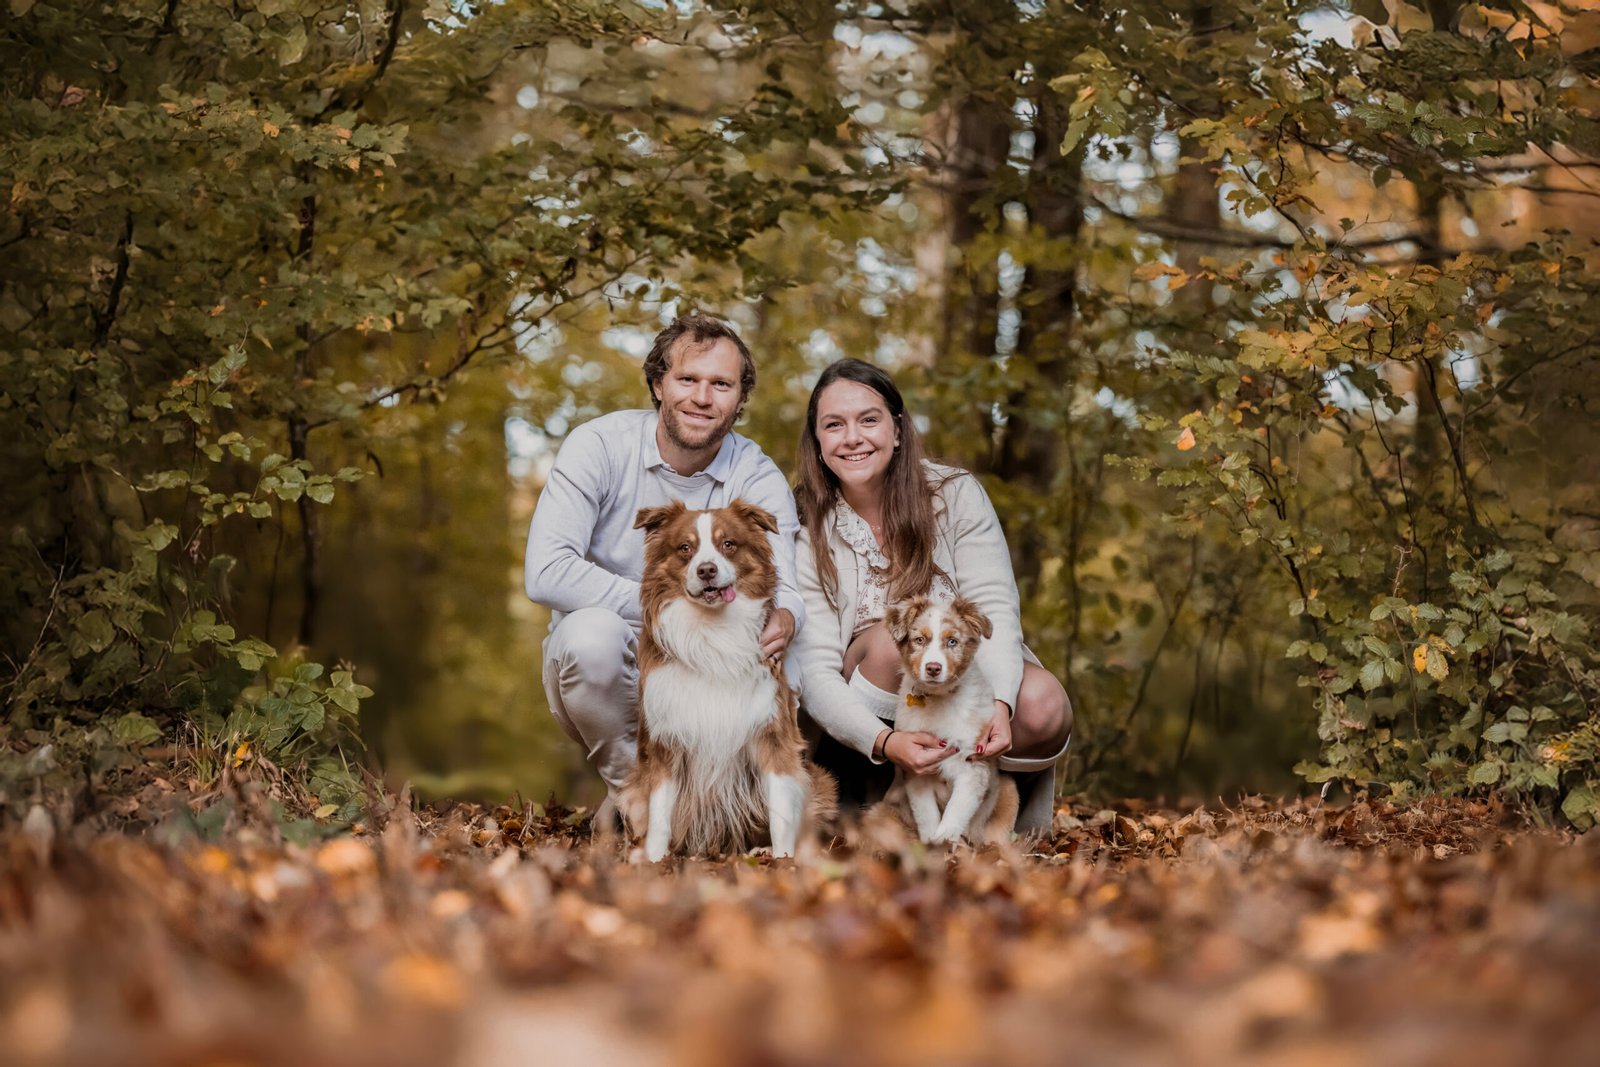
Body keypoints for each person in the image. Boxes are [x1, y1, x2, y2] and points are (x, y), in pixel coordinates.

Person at [523, 313, 805, 814]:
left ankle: (751, 805)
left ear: (739, 400)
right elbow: (545, 570)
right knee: (591, 637)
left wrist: (788, 617)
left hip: (715, 668)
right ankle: (637, 798)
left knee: (797, 650)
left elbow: (786, 587)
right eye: (688, 379)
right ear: (658, 384)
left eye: (721, 384)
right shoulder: (600, 446)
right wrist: (668, 606)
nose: (703, 397)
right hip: (613, 671)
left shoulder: (756, 474)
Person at [790, 358, 1072, 835]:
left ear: (897, 430)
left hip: (963, 682)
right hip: (861, 711)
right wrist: (884, 740)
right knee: (890, 645)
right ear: (818, 443)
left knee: (1043, 703)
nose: (852, 437)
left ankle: (995, 819)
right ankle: (868, 804)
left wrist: (1000, 706)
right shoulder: (805, 522)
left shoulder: (955, 494)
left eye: (869, 419)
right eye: (834, 425)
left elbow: (995, 609)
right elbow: (814, 669)